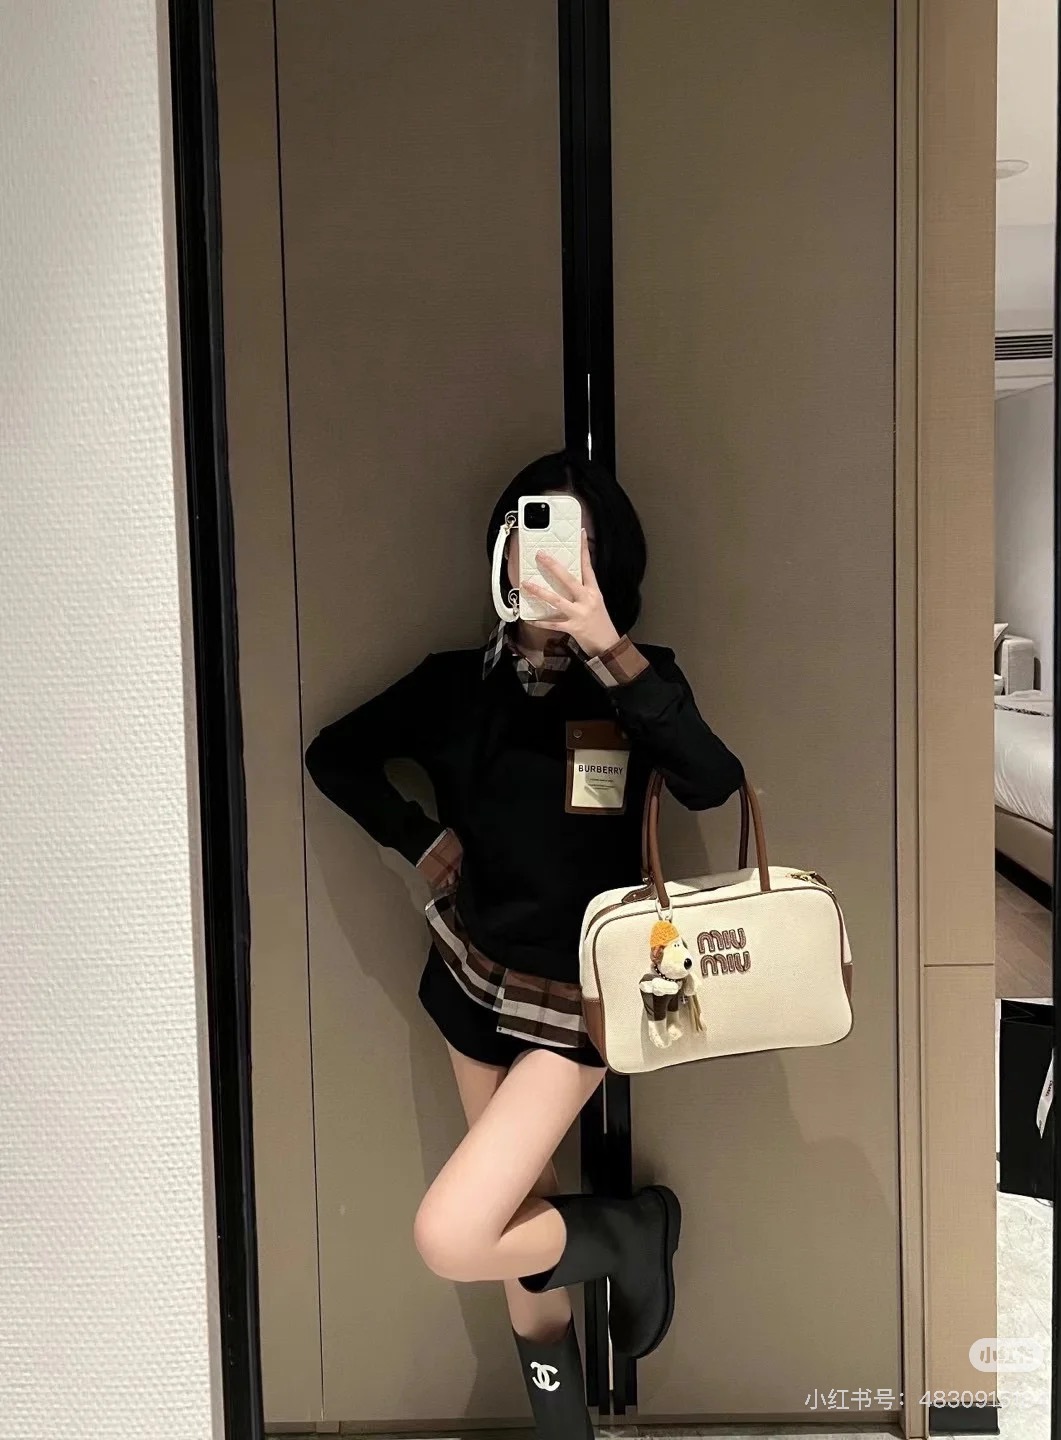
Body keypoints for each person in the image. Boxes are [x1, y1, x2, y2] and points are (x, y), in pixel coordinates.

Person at [304, 449, 744, 1438]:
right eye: (529, 534)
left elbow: (712, 781)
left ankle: (630, 1232)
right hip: (470, 982)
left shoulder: (638, 683)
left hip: (579, 1003)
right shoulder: (454, 686)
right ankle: (564, 1427)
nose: (545, 561)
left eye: (571, 543)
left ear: (606, 558)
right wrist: (418, 839)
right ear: (502, 550)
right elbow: (334, 756)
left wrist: (605, 644)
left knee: (454, 1235)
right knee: (511, 1224)